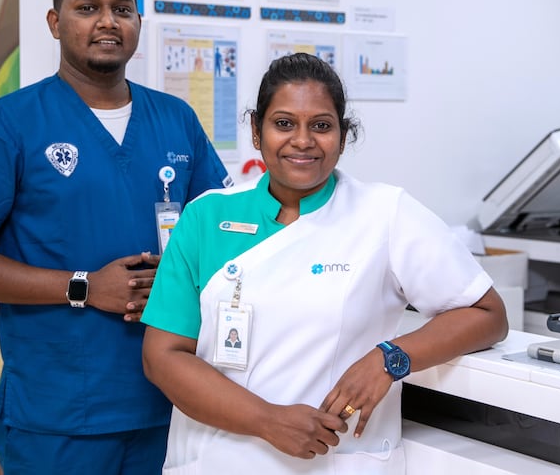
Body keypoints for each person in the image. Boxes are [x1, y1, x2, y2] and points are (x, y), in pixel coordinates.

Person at [0, 0, 231, 475]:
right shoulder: (9, 124)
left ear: (138, 23)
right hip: (60, 415)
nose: (108, 21)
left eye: (123, 9)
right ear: (55, 21)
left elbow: (219, 234)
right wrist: (84, 287)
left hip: (171, 401)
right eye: (87, 7)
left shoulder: (176, 120)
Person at [141, 52, 509, 474]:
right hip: (217, 459)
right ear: (256, 133)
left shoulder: (385, 214)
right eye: (283, 124)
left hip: (336, 461)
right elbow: (163, 356)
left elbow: (487, 314)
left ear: (343, 135)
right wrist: (267, 420)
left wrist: (388, 358)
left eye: (321, 125)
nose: (303, 140)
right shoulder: (205, 216)